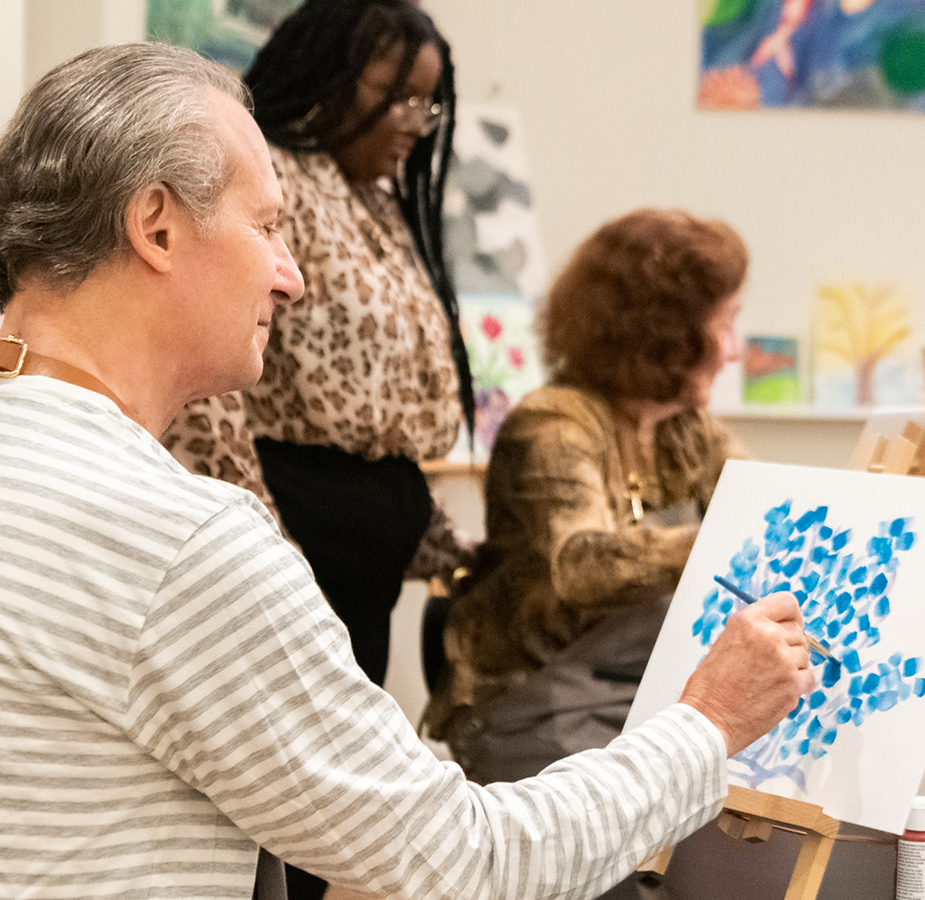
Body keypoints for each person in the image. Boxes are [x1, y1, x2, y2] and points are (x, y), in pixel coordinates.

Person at [0, 41, 814, 900]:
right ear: (157, 226)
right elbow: (459, 862)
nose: (291, 277)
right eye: (267, 226)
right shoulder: (181, 544)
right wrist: (709, 722)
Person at [162, 0, 474, 695]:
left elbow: (379, 416)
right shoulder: (271, 184)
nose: (413, 122)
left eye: (426, 104)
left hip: (364, 570)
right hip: (292, 543)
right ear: (328, 72)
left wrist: (431, 534)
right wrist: (270, 553)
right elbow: (206, 388)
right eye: (395, 95)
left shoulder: (377, 204)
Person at [423, 210, 749, 791]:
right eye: (725, 324)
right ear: (667, 333)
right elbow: (579, 567)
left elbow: (765, 506)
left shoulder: (685, 430)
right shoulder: (553, 425)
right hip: (531, 703)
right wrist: (718, 543)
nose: (734, 351)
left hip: (635, 695)